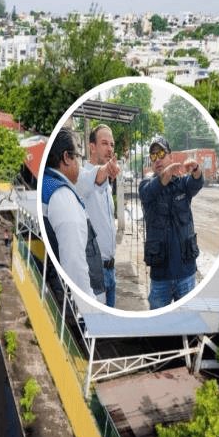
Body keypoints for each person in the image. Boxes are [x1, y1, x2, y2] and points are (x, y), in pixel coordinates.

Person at [41, 127, 105, 302]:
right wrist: (90, 307)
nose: (79, 162)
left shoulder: (47, 186)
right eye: (77, 156)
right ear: (66, 158)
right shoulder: (64, 198)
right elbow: (75, 266)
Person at [139, 137, 204, 309]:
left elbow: (197, 182)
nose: (157, 159)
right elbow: (148, 193)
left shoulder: (182, 184)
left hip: (186, 273)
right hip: (161, 277)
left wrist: (196, 169)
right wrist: (167, 174)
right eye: (153, 156)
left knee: (188, 326)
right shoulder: (147, 186)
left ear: (171, 157)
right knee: (158, 329)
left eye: (161, 153)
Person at [76, 124, 119, 308]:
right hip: (95, 269)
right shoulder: (81, 177)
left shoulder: (107, 182)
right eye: (104, 143)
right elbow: (95, 177)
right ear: (92, 147)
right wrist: (106, 170)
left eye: (112, 144)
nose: (110, 149)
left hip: (111, 270)